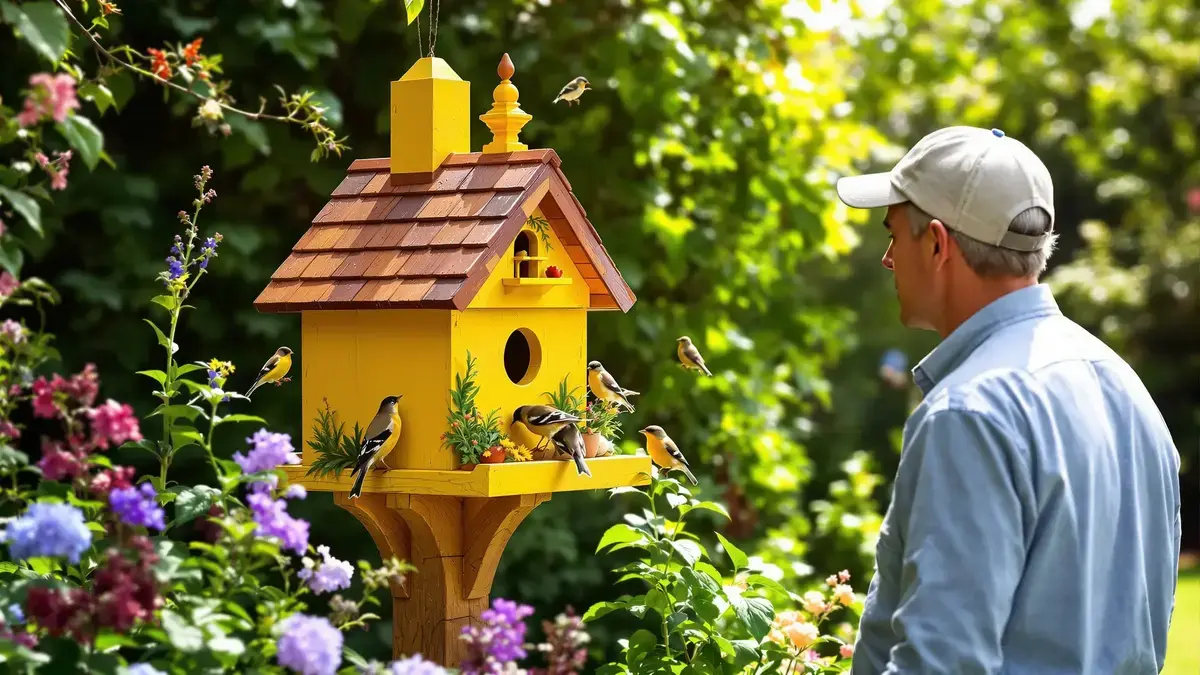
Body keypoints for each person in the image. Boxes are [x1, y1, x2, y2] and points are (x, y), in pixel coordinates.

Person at [835, 126, 1182, 673]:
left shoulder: (968, 414)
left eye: (893, 234)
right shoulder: (1127, 392)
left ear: (937, 244)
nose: (887, 258)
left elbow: (942, 661)